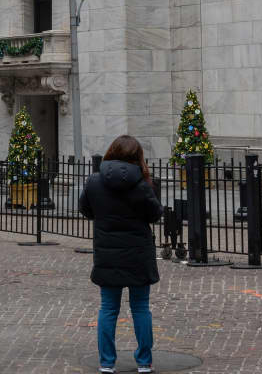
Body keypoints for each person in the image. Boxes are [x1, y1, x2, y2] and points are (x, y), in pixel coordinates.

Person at [78, 135, 162, 374]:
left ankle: (106, 362)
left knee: (108, 308)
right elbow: (155, 215)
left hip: (108, 253)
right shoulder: (143, 184)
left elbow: (85, 209)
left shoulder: (94, 182)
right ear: (138, 157)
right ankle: (144, 362)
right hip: (137, 253)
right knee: (140, 308)